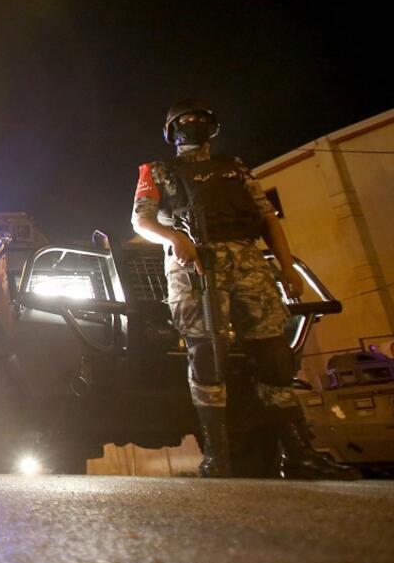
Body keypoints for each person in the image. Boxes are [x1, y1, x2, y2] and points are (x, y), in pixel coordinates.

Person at [132, 98, 359, 480]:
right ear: (172, 131)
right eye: (185, 120)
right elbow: (140, 219)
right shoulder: (158, 170)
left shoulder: (234, 168)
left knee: (274, 356)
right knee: (207, 357)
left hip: (248, 264)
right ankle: (218, 458)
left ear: (213, 126)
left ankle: (299, 454)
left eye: (201, 119)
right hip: (197, 267)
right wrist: (172, 237)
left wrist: (287, 268)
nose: (194, 124)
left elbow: (268, 219)